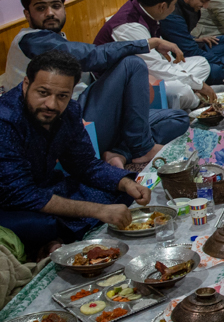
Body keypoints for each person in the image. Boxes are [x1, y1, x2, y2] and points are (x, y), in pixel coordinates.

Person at [2, 0, 187, 168]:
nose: (50, 13)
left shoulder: (55, 37)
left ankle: (121, 153)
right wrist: (149, 43)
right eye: (41, 8)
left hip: (87, 110)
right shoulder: (30, 40)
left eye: (56, 6)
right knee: (132, 64)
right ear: (27, 14)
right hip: (70, 122)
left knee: (177, 118)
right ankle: (140, 148)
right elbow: (91, 56)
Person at [0, 51, 151, 258]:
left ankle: (57, 241)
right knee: (43, 225)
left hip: (45, 187)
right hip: (10, 203)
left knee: (121, 192)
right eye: (43, 93)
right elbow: (21, 195)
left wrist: (125, 183)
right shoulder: (5, 120)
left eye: (62, 96)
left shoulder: (69, 111)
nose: (51, 105)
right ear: (26, 84)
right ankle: (50, 242)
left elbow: (85, 164)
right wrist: (97, 211)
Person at [94, 0, 216, 111]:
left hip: (151, 70)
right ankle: (196, 102)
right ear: (162, 6)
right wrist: (201, 86)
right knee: (180, 90)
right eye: (174, 4)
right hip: (122, 85)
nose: (174, 8)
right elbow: (157, 68)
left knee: (201, 63)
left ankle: (188, 96)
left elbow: (162, 62)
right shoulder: (129, 26)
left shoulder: (146, 12)